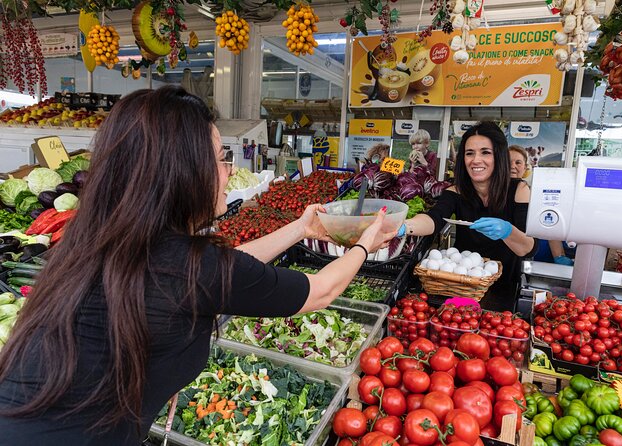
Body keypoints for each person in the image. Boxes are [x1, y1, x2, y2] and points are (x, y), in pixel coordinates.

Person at [0, 86, 395, 445]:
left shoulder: (96, 242)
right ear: (184, 172)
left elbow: (225, 271)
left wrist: (300, 228)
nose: (228, 171)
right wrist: (364, 242)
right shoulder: (183, 263)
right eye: (222, 158)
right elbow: (321, 290)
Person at [398, 121, 537, 311]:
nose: (476, 160)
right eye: (469, 153)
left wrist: (507, 231)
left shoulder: (518, 189)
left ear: (499, 156)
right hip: (461, 286)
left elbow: (528, 248)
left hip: (503, 288)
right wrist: (404, 225)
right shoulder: (455, 191)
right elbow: (433, 219)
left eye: (485, 152)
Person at [507, 146, 573, 266]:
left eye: (518, 162)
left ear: (525, 167)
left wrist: (559, 256)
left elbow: (550, 222)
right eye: (508, 161)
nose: (512, 166)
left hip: (531, 252)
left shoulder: (535, 191)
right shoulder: (490, 191)